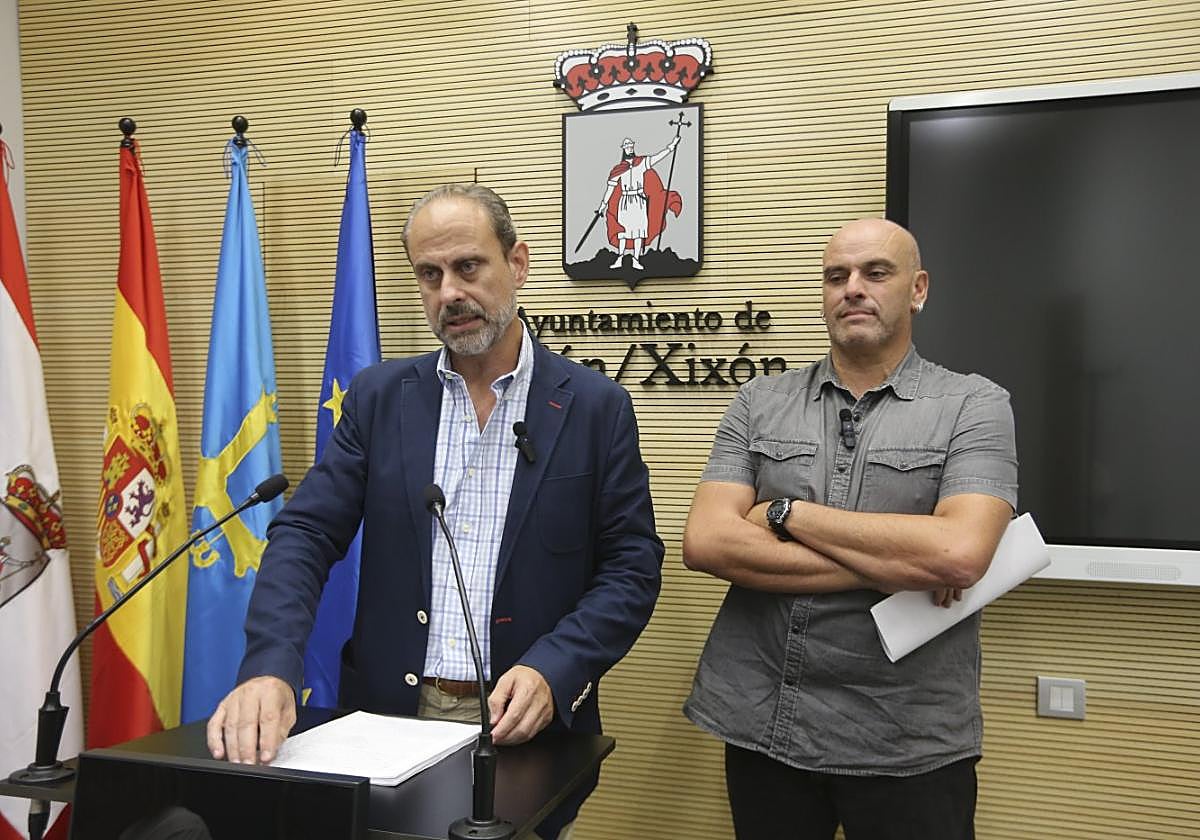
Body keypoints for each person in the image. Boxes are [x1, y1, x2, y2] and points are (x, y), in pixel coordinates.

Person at [206, 183, 664, 840]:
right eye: (430, 274)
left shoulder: (594, 407)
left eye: (468, 267)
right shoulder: (380, 398)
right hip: (388, 719)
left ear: (518, 263)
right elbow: (305, 532)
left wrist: (556, 666)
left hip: (524, 726)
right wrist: (270, 664)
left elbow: (631, 567)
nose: (449, 292)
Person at [682, 218, 1018, 840]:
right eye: (836, 276)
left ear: (918, 289)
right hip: (765, 722)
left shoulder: (974, 405)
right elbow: (705, 542)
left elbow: (958, 555)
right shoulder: (759, 402)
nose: (853, 288)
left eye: (876, 273)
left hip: (908, 739)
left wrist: (784, 513)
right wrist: (902, 562)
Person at [598, 136, 680, 269]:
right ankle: (620, 258)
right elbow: (610, 189)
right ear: (624, 149)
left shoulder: (641, 163)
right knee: (622, 232)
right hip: (625, 202)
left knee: (639, 232)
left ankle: (636, 260)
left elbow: (657, 157)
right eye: (627, 147)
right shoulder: (618, 169)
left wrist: (672, 146)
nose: (629, 149)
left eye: (631, 146)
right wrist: (603, 205)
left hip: (639, 201)